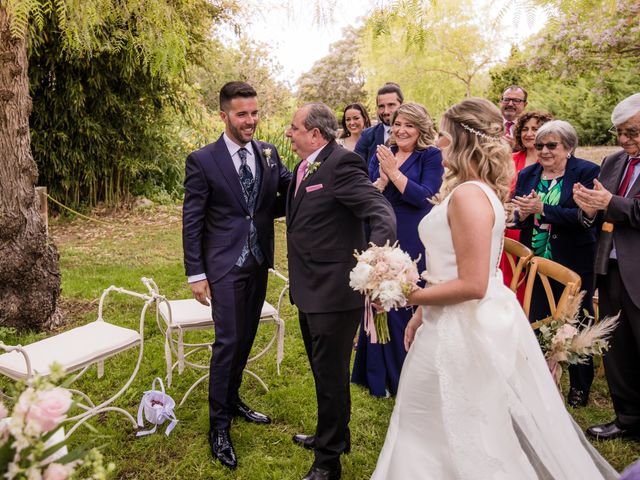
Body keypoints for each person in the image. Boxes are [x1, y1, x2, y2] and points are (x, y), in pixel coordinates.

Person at [371, 98, 617, 480]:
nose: (437, 141)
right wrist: (421, 312)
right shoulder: (472, 189)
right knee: (433, 424)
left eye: (443, 133)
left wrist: (407, 295)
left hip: (462, 328)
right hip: (445, 319)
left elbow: (472, 283)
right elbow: (449, 265)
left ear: (461, 139)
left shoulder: (470, 196)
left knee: (445, 425)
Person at [182, 81, 292, 469]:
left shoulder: (268, 153)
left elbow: (282, 194)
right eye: (242, 114)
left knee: (245, 336)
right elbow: (192, 220)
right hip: (223, 266)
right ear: (224, 115)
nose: (251, 121)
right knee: (227, 341)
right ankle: (218, 426)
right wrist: (196, 273)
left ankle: (233, 399)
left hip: (258, 260)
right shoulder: (203, 160)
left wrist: (322, 175)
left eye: (255, 113)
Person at [285, 103, 396, 480]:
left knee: (332, 378)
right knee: (322, 372)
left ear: (315, 134)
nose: (288, 133)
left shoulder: (342, 164)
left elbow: (380, 210)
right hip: (308, 288)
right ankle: (333, 434)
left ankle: (328, 462)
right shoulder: (305, 166)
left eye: (294, 127)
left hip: (335, 293)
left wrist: (374, 263)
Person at [351, 103, 443, 397]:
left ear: (421, 129)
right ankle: (376, 372)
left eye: (409, 125)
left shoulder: (430, 156)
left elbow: (425, 197)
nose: (401, 130)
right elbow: (370, 189)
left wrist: (394, 172)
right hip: (380, 229)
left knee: (404, 296)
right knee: (378, 294)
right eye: (397, 124)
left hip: (412, 234)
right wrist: (378, 181)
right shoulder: (384, 152)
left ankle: (405, 372)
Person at [512, 120, 599, 408]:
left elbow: (585, 219)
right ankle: (540, 379)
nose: (544, 151)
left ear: (569, 147)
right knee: (537, 317)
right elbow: (518, 215)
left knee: (577, 320)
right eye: (539, 146)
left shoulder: (586, 172)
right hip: (536, 259)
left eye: (552, 145)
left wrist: (543, 209)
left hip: (574, 258)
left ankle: (579, 385)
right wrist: (521, 214)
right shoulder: (528, 173)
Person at [573, 92, 640, 440]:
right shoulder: (613, 162)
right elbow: (602, 214)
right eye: (620, 132)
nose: (625, 140)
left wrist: (610, 202)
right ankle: (627, 419)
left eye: (633, 132)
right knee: (617, 347)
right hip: (609, 267)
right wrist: (588, 210)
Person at [499, 111, 553, 298]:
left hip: (535, 226)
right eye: (525, 129)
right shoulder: (511, 158)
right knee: (506, 277)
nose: (529, 133)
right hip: (508, 225)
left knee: (526, 280)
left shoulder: (549, 160)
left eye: (535, 129)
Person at [354, 83, 403, 163]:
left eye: (391, 105)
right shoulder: (367, 135)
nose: (386, 111)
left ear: (402, 105)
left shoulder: (414, 135)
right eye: (381, 106)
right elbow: (355, 167)